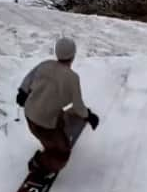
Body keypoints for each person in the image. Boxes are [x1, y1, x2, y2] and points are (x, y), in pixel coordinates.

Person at [16, 36, 99, 177]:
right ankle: (39, 163)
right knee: (61, 155)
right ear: (73, 55)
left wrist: (22, 93)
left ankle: (58, 131)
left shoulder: (45, 65)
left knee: (54, 110)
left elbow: (28, 79)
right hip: (45, 126)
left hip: (29, 114)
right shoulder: (73, 78)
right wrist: (89, 116)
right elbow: (79, 107)